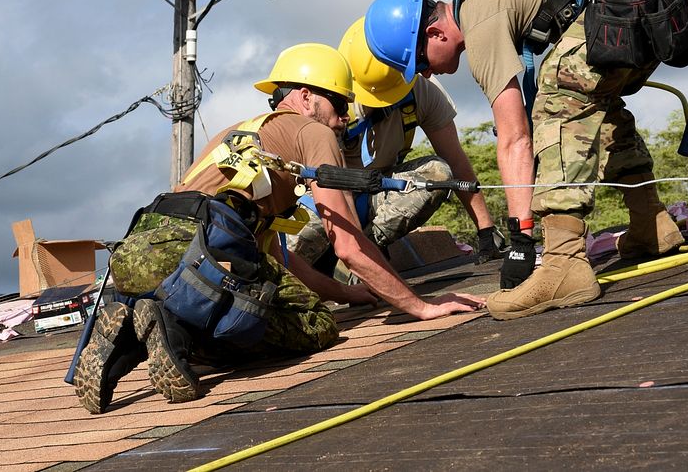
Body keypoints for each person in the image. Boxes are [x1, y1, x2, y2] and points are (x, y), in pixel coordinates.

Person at [74, 43, 485, 413]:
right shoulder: (313, 133)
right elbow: (346, 243)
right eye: (339, 103)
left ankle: (132, 338)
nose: (344, 118)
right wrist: (419, 306)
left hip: (143, 250)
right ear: (306, 97)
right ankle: (181, 334)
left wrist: (354, 294)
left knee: (270, 297)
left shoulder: (237, 136)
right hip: (197, 257)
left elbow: (279, 262)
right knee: (315, 326)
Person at [363, 0, 688, 320]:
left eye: (418, 62)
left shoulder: (478, 18)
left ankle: (564, 263)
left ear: (436, 33)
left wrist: (522, 238)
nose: (424, 75)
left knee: (559, 93)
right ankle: (651, 224)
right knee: (598, 100)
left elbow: (514, 137)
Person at [291, 17, 507, 276]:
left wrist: (485, 229)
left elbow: (455, 160)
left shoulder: (421, 91)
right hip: (322, 201)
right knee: (288, 268)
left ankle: (364, 257)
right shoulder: (331, 103)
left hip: (375, 195)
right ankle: (339, 263)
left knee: (437, 172)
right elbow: (333, 185)